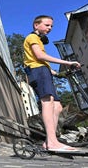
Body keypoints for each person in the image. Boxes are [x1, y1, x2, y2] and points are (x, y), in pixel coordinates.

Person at [23, 15, 81, 152]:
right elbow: (40, 57)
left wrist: (56, 73)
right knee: (47, 102)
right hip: (37, 71)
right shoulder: (32, 38)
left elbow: (42, 61)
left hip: (43, 71)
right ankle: (52, 142)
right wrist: (67, 62)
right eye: (47, 25)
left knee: (57, 106)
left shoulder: (38, 40)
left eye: (51, 26)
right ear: (36, 25)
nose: (50, 28)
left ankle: (50, 140)